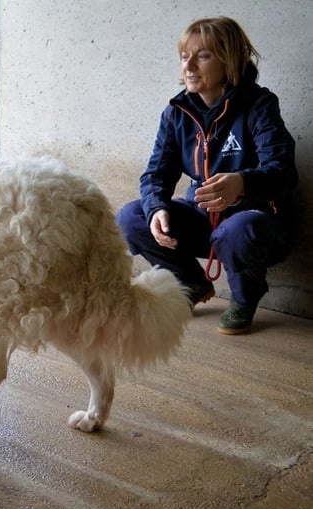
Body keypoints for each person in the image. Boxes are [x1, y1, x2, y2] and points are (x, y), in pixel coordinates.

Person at [116, 16, 298, 335]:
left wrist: (242, 183)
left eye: (202, 56)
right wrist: (156, 208)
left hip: (255, 225)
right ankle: (190, 282)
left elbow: (283, 171)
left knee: (236, 228)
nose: (188, 66)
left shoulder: (259, 105)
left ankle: (244, 298)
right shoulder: (176, 113)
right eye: (184, 56)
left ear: (229, 60)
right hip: (203, 218)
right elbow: (155, 174)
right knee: (131, 217)